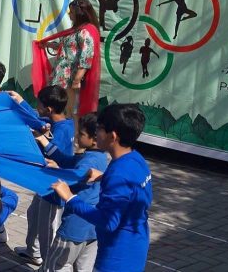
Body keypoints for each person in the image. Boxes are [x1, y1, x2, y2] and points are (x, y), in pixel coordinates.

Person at [51, 104, 152, 272]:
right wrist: (103, 177)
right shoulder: (136, 159)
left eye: (98, 129)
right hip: (137, 245)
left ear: (112, 136)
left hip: (116, 258)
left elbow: (108, 222)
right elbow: (136, 190)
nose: (95, 134)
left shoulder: (118, 173)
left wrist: (70, 198)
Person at [14, 85, 75, 265]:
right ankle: (32, 251)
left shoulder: (62, 130)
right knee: (33, 214)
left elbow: (59, 156)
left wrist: (41, 139)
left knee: (47, 228)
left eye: (38, 104)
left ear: (48, 109)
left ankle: (49, 264)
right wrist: (20, 101)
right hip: (44, 183)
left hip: (54, 188)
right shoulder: (64, 123)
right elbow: (35, 118)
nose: (36, 107)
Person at [39, 113, 108, 272]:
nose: (77, 136)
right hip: (93, 228)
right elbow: (67, 161)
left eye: (81, 134)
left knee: (56, 266)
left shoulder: (88, 161)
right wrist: (43, 141)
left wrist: (59, 171)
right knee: (84, 268)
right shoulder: (98, 156)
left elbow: (77, 176)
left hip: (74, 227)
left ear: (95, 138)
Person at [38, 0, 101, 117]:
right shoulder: (76, 30)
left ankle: (67, 132)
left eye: (71, 12)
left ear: (79, 14)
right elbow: (68, 49)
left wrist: (77, 80)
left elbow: (87, 57)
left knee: (66, 109)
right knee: (57, 107)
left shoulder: (85, 31)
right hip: (61, 76)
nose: (69, 14)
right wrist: (48, 44)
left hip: (69, 80)